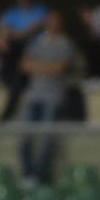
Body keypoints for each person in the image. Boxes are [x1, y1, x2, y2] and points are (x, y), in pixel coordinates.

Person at [19, 10, 78, 184]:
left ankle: (39, 178)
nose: (52, 23)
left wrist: (37, 67)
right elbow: (24, 65)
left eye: (56, 20)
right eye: (50, 20)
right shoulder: (37, 41)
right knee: (25, 136)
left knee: (47, 138)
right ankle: (27, 176)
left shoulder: (65, 43)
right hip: (33, 96)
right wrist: (47, 68)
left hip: (53, 97)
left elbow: (60, 69)